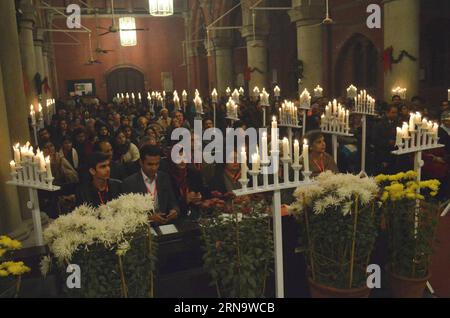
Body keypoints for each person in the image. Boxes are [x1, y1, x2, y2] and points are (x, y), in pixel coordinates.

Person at [121, 145, 179, 224]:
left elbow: (173, 202)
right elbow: (127, 215)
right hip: (144, 228)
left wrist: (174, 210)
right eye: (150, 164)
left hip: (165, 224)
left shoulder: (164, 177)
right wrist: (148, 218)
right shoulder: (129, 183)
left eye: (157, 164)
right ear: (141, 162)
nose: (154, 168)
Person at [372, 105, 400, 174]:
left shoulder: (399, 124)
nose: (395, 114)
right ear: (387, 113)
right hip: (382, 154)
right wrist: (388, 142)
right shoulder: (379, 124)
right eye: (393, 112)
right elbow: (374, 139)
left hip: (395, 153)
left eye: (396, 113)